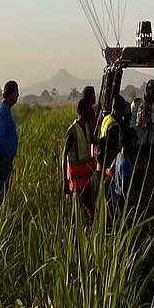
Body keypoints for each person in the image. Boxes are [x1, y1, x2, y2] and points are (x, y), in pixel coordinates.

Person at [63, 93, 98, 223]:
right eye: (89, 109)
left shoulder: (88, 127)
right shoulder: (72, 130)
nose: (91, 111)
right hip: (76, 180)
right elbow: (64, 155)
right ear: (83, 111)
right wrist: (65, 181)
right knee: (76, 213)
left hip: (87, 179)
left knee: (89, 211)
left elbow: (95, 141)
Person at [0, 80, 19, 215]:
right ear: (10, 94)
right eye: (16, 92)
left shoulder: (4, 109)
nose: (18, 95)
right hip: (1, 161)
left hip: (3, 161)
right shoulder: (2, 111)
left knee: (2, 197)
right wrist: (7, 155)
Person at [111, 131, 139, 217]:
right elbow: (125, 189)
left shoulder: (118, 156)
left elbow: (110, 171)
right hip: (124, 204)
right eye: (134, 142)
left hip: (117, 198)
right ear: (128, 143)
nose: (135, 144)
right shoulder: (126, 163)